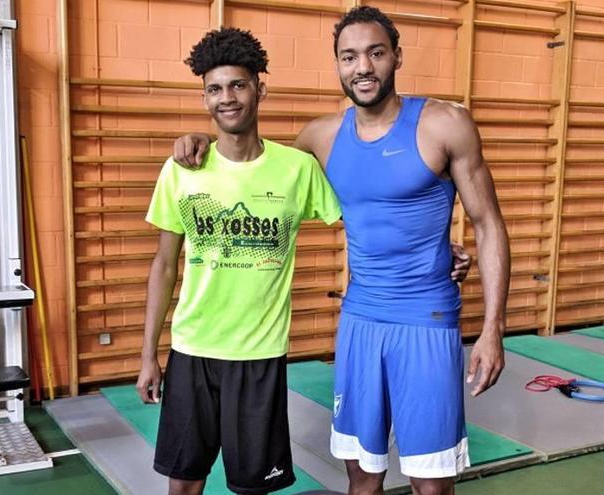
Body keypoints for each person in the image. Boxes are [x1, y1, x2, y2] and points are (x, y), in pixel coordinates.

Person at [173, 7, 509, 494]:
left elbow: (489, 223)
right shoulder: (321, 137)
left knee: (431, 483)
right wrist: (203, 139)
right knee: (362, 475)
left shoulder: (445, 123)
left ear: (396, 56)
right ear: (338, 65)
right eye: (349, 57)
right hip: (359, 322)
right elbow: (255, 174)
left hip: (427, 321)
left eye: (375, 53)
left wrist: (493, 328)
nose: (363, 67)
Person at [135, 27, 343, 495]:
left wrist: (435, 250)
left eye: (238, 85)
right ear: (204, 97)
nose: (226, 98)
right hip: (193, 351)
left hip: (260, 355)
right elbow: (164, 264)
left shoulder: (297, 169)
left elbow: (362, 222)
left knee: (253, 485)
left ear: (259, 88)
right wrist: (149, 354)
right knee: (184, 480)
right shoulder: (183, 170)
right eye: (214, 89)